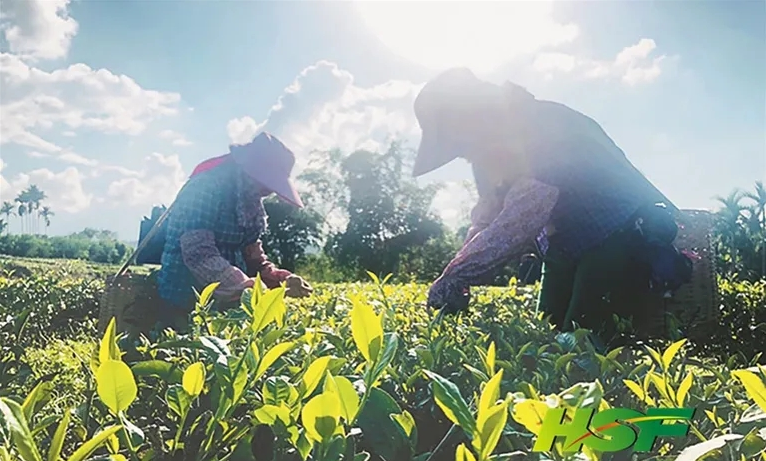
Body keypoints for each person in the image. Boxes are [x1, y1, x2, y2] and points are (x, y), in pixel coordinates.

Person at [412, 68, 691, 349]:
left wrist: (460, 273)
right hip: (563, 247)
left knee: (578, 341)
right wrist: (456, 271)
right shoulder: (486, 159)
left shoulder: (545, 127)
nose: (464, 154)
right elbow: (486, 217)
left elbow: (520, 220)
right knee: (544, 333)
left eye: (459, 142)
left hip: (618, 232)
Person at [155, 132, 314, 330]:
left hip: (229, 305)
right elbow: (199, 254)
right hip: (187, 300)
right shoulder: (206, 187)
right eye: (269, 182)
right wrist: (250, 290)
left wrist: (280, 279)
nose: (270, 191)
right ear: (251, 170)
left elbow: (253, 258)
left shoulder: (252, 202)